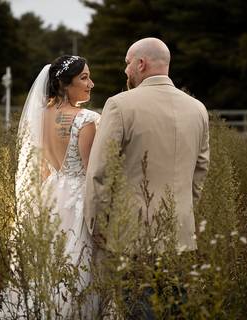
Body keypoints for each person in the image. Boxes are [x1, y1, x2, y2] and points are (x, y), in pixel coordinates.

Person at [0, 55, 100, 319]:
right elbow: (92, 173)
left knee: (51, 263)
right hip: (78, 197)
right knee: (77, 261)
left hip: (51, 196)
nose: (91, 83)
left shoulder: (41, 115)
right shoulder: (86, 119)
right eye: (84, 77)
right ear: (63, 84)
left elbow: (42, 167)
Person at [84, 38, 210, 315]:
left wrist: (96, 224)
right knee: (174, 307)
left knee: (139, 308)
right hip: (179, 230)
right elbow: (200, 170)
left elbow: (100, 172)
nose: (126, 70)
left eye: (127, 63)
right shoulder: (198, 108)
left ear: (141, 64)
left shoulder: (119, 105)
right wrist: (183, 210)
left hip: (133, 233)